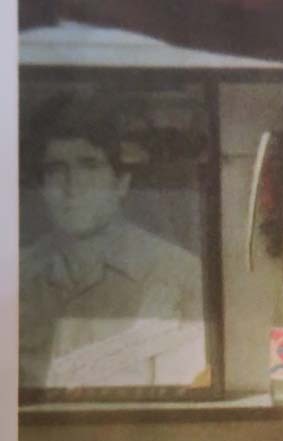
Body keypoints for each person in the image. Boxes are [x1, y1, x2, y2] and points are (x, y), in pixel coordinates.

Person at [20, 93, 208, 388]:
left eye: (90, 166)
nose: (73, 185)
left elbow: (189, 394)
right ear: (41, 187)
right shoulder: (16, 276)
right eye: (55, 169)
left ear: (121, 182)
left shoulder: (179, 274)